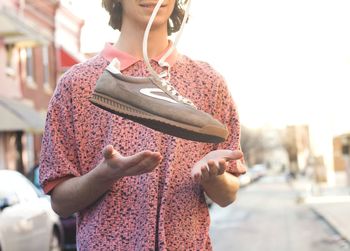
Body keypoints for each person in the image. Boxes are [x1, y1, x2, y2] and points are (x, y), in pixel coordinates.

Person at [39, 0, 246, 250]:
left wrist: (213, 178)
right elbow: (60, 202)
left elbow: (228, 195)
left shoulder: (208, 83)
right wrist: (104, 175)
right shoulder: (77, 85)